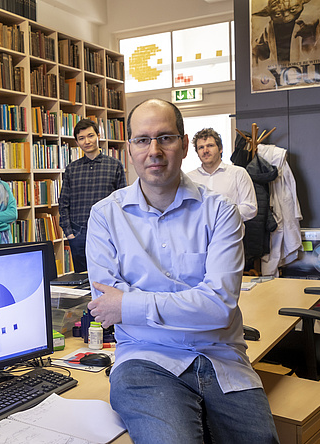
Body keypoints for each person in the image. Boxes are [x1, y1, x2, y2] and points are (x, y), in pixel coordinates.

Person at [85, 99, 278, 444]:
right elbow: (105, 305)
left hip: (219, 356)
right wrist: (191, 304)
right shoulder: (105, 216)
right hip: (144, 360)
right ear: (129, 148)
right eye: (142, 140)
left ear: (185, 144)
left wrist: (129, 305)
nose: (154, 150)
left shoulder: (220, 212)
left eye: (166, 138)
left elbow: (218, 307)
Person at [58, 118, 126, 272]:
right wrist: (69, 234)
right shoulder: (71, 169)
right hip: (78, 233)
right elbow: (64, 203)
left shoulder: (115, 165)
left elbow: (122, 203)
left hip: (107, 233)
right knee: (82, 281)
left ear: (98, 136)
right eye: (81, 138)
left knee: (109, 277)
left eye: (90, 136)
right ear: (77, 142)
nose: (86, 141)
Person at [185, 128, 258, 222]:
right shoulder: (189, 179)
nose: (205, 150)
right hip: (198, 236)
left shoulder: (238, 173)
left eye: (210, 145)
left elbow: (250, 208)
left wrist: (220, 216)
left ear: (220, 149)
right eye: (201, 147)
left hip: (230, 234)